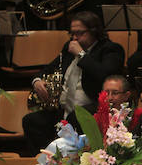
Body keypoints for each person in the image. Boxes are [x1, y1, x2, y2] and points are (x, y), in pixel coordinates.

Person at [23, 11, 125, 155]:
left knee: (75, 117)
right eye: (72, 33)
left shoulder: (110, 49)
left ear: (94, 31)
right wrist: (37, 80)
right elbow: (49, 68)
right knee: (31, 120)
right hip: (65, 109)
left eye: (80, 33)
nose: (74, 37)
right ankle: (47, 161)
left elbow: (105, 75)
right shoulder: (69, 47)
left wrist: (82, 55)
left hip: (95, 109)